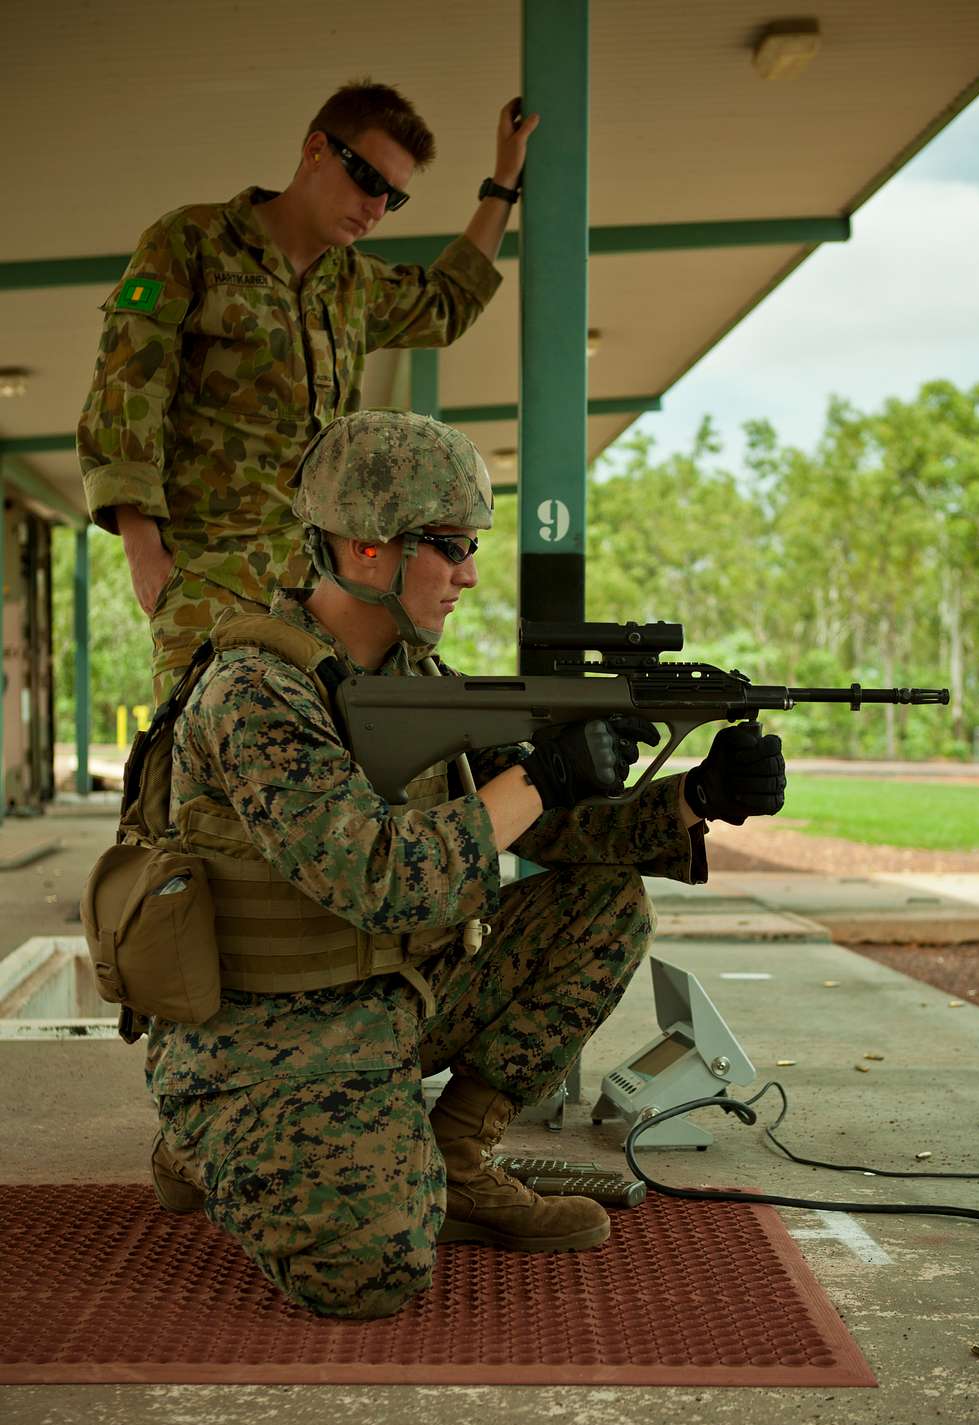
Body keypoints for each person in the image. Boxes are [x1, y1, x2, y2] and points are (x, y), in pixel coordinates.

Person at [147, 410, 787, 1321]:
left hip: (388, 997)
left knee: (601, 905)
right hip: (266, 1030)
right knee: (367, 1277)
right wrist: (542, 774)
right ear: (367, 546)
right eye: (448, 547)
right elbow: (376, 874)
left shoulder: (417, 678)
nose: (469, 573)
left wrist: (692, 800)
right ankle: (211, 1125)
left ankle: (454, 1155)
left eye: (471, 545)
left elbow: (539, 833)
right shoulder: (255, 689)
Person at [77, 79, 537, 701]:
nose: (376, 208)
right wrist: (141, 546)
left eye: (393, 198)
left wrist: (503, 185)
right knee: (195, 771)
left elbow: (448, 304)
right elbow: (127, 387)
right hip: (210, 573)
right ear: (317, 149)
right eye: (368, 180)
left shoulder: (352, 284)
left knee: (311, 773)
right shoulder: (192, 244)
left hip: (322, 587)